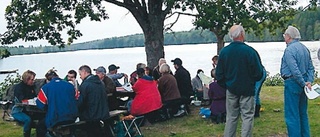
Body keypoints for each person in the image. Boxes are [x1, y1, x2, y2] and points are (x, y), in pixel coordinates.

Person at [215, 24, 263, 137]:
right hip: (247, 89)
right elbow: (259, 73)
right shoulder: (250, 52)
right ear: (241, 34)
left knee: (231, 117)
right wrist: (252, 81)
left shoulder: (224, 52)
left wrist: (226, 85)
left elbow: (219, 74)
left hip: (231, 89)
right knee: (247, 117)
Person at [280, 26, 314, 137]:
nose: (284, 37)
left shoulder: (289, 50)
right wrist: (308, 81)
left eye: (285, 35)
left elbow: (294, 70)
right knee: (302, 113)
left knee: (292, 115)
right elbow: (311, 68)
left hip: (292, 83)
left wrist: (303, 83)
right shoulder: (304, 48)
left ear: (289, 36)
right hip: (303, 84)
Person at [36, 69, 78, 136]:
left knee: (40, 126)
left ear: (47, 80)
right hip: (71, 118)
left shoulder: (45, 88)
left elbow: (40, 105)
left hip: (55, 118)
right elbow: (77, 99)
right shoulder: (70, 86)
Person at [78, 65, 111, 136]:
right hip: (104, 113)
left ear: (84, 72)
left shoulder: (85, 85)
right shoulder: (100, 83)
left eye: (80, 74)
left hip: (92, 116)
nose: (80, 76)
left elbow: (81, 102)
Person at [11, 70, 37, 137]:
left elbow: (34, 96)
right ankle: (26, 135)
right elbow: (22, 100)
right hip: (18, 111)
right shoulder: (19, 87)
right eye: (32, 79)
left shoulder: (31, 87)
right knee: (27, 120)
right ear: (27, 79)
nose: (33, 81)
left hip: (30, 110)